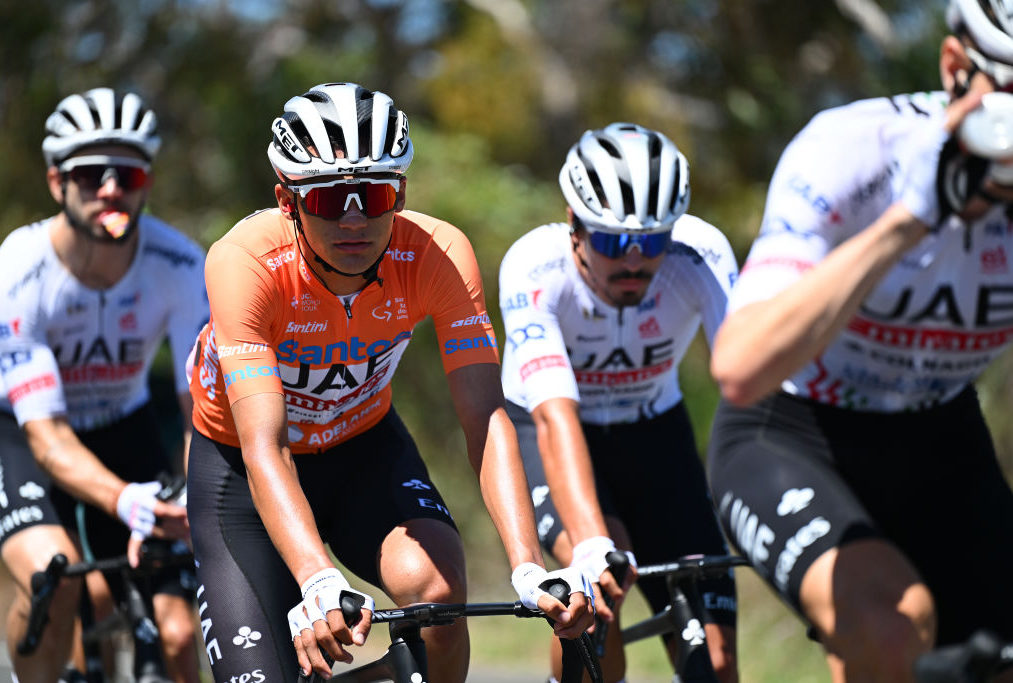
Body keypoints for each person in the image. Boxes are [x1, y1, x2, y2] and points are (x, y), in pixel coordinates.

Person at [184, 81, 593, 683]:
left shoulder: (439, 253)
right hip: (244, 471)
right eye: (329, 200)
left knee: (439, 598)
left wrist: (528, 567)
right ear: (287, 199)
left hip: (362, 448)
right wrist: (319, 579)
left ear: (399, 193)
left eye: (375, 195)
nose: (356, 219)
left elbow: (485, 415)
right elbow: (263, 446)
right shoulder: (243, 261)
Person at [707, 2, 1013, 681]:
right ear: (956, 69)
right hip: (791, 429)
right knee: (887, 628)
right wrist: (910, 219)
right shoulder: (853, 149)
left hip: (941, 436)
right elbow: (740, 365)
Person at [499, 122, 740, 683]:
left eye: (652, 242)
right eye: (612, 242)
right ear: (574, 225)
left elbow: (752, 378)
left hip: (655, 432)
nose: (634, 262)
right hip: (549, 431)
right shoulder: (534, 267)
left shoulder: (699, 253)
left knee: (717, 661)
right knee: (596, 600)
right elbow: (555, 415)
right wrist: (592, 543)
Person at [0, 87, 208, 683]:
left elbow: (201, 410)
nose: (110, 188)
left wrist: (189, 492)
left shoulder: (183, 264)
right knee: (51, 581)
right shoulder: (17, 269)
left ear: (148, 183)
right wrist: (124, 500)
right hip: (20, 432)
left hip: (123, 422)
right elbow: (49, 438)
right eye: (90, 174)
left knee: (179, 634)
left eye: (128, 173)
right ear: (57, 182)